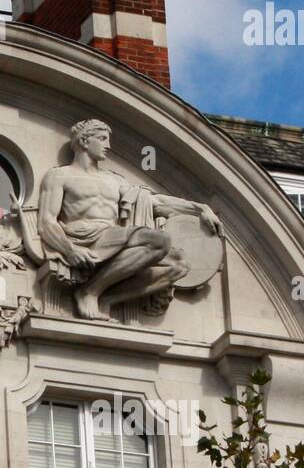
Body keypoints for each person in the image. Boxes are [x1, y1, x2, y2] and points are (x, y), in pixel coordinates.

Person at [37, 119, 221, 321]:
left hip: (113, 235)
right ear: (84, 141)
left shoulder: (115, 180)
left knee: (179, 265)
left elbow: (154, 202)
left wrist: (199, 208)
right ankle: (89, 292)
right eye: (102, 139)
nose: (108, 146)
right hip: (82, 237)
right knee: (160, 240)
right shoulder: (60, 175)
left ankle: (105, 296)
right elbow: (47, 221)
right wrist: (69, 250)